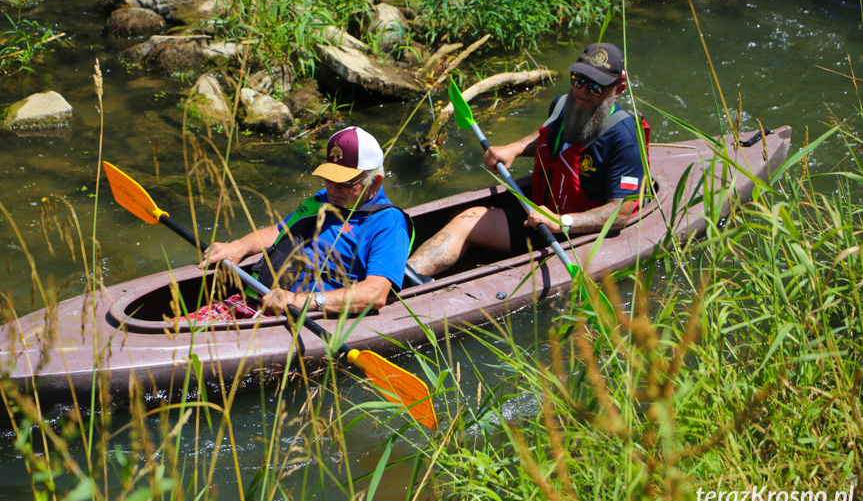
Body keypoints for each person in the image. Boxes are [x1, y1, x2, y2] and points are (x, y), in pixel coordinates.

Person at [408, 42, 649, 277]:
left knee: (464, 223)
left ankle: (398, 282)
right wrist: (514, 148)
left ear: (618, 89)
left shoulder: (625, 139)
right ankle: (402, 277)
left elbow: (621, 212)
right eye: (579, 80)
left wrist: (562, 221)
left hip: (575, 233)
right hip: (536, 215)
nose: (583, 91)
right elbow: (547, 136)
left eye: (596, 87)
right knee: (458, 216)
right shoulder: (564, 105)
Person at [200, 126, 410, 317]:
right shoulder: (323, 199)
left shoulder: (389, 224)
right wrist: (239, 246)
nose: (332, 189)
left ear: (375, 180)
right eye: (328, 178)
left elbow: (375, 293)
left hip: (305, 319)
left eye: (344, 183)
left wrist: (300, 301)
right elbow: (280, 230)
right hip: (255, 302)